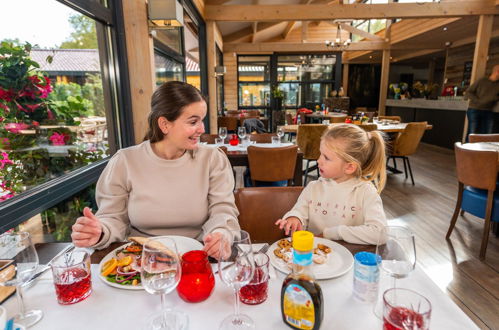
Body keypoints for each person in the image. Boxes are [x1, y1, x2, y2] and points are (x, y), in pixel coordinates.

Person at [71, 81, 239, 258]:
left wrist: (221, 234)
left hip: (197, 256)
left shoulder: (213, 159)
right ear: (165, 125)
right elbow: (113, 218)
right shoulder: (125, 161)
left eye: (202, 120)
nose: (202, 129)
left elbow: (222, 210)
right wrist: (99, 232)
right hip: (140, 260)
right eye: (193, 121)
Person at [275, 124, 387, 245]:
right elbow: (299, 211)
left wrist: (333, 233)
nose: (318, 160)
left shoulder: (366, 192)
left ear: (349, 167)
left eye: (326, 158)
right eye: (320, 154)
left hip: (349, 259)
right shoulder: (313, 187)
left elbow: (380, 234)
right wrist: (294, 218)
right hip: (313, 256)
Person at [465, 65, 499, 139]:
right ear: (497, 72)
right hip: (474, 109)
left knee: (487, 135)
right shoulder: (482, 80)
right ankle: (467, 150)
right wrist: (478, 101)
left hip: (488, 111)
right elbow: (468, 92)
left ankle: (481, 150)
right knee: (472, 133)